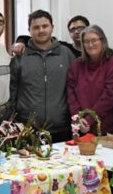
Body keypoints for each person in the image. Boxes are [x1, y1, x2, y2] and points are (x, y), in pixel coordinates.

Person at [9, 10, 77, 143]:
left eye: (45, 26)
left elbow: (75, 88)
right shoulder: (20, 56)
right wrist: (13, 120)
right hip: (27, 130)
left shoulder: (66, 54)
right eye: (36, 27)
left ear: (52, 27)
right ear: (29, 30)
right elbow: (12, 90)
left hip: (61, 129)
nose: (41, 30)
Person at [66, 25, 113, 135]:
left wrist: (89, 120)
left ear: (103, 41)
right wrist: (78, 118)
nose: (90, 44)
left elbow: (109, 97)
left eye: (94, 40)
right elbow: (70, 94)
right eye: (86, 41)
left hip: (104, 128)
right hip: (80, 127)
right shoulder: (77, 65)